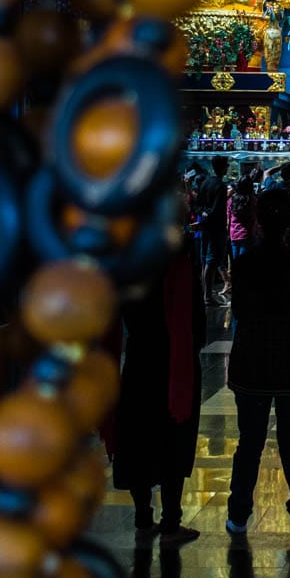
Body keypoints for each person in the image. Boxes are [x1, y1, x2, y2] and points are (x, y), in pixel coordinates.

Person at [225, 187, 290, 537]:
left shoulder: (244, 262)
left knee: (249, 441)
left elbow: (238, 309)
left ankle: (238, 514)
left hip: (252, 359)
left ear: (257, 220)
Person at [112, 232, 205, 547]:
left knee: (137, 440)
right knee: (172, 440)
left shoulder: (128, 268)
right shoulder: (178, 268)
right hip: (173, 364)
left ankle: (143, 517)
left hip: (138, 362)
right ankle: (171, 522)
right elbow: (198, 326)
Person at [196, 157, 231, 306]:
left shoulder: (205, 183)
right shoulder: (221, 186)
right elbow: (217, 210)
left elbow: (197, 205)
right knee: (211, 261)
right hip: (215, 229)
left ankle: (206, 293)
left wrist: (204, 213)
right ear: (223, 167)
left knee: (205, 260)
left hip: (204, 227)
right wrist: (210, 214)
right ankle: (208, 297)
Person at [228, 173, 255, 262]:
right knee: (245, 265)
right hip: (247, 234)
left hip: (233, 234)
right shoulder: (253, 200)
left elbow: (228, 218)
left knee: (236, 263)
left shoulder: (232, 200)